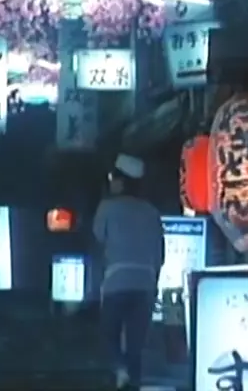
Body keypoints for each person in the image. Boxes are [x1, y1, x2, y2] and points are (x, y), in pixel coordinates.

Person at [93, 154, 165, 390]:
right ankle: (132, 380)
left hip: (116, 281)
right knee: (136, 345)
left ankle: (120, 371)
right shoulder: (151, 212)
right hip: (145, 284)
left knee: (109, 335)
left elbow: (97, 239)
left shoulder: (107, 207)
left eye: (113, 178)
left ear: (121, 182)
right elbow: (160, 254)